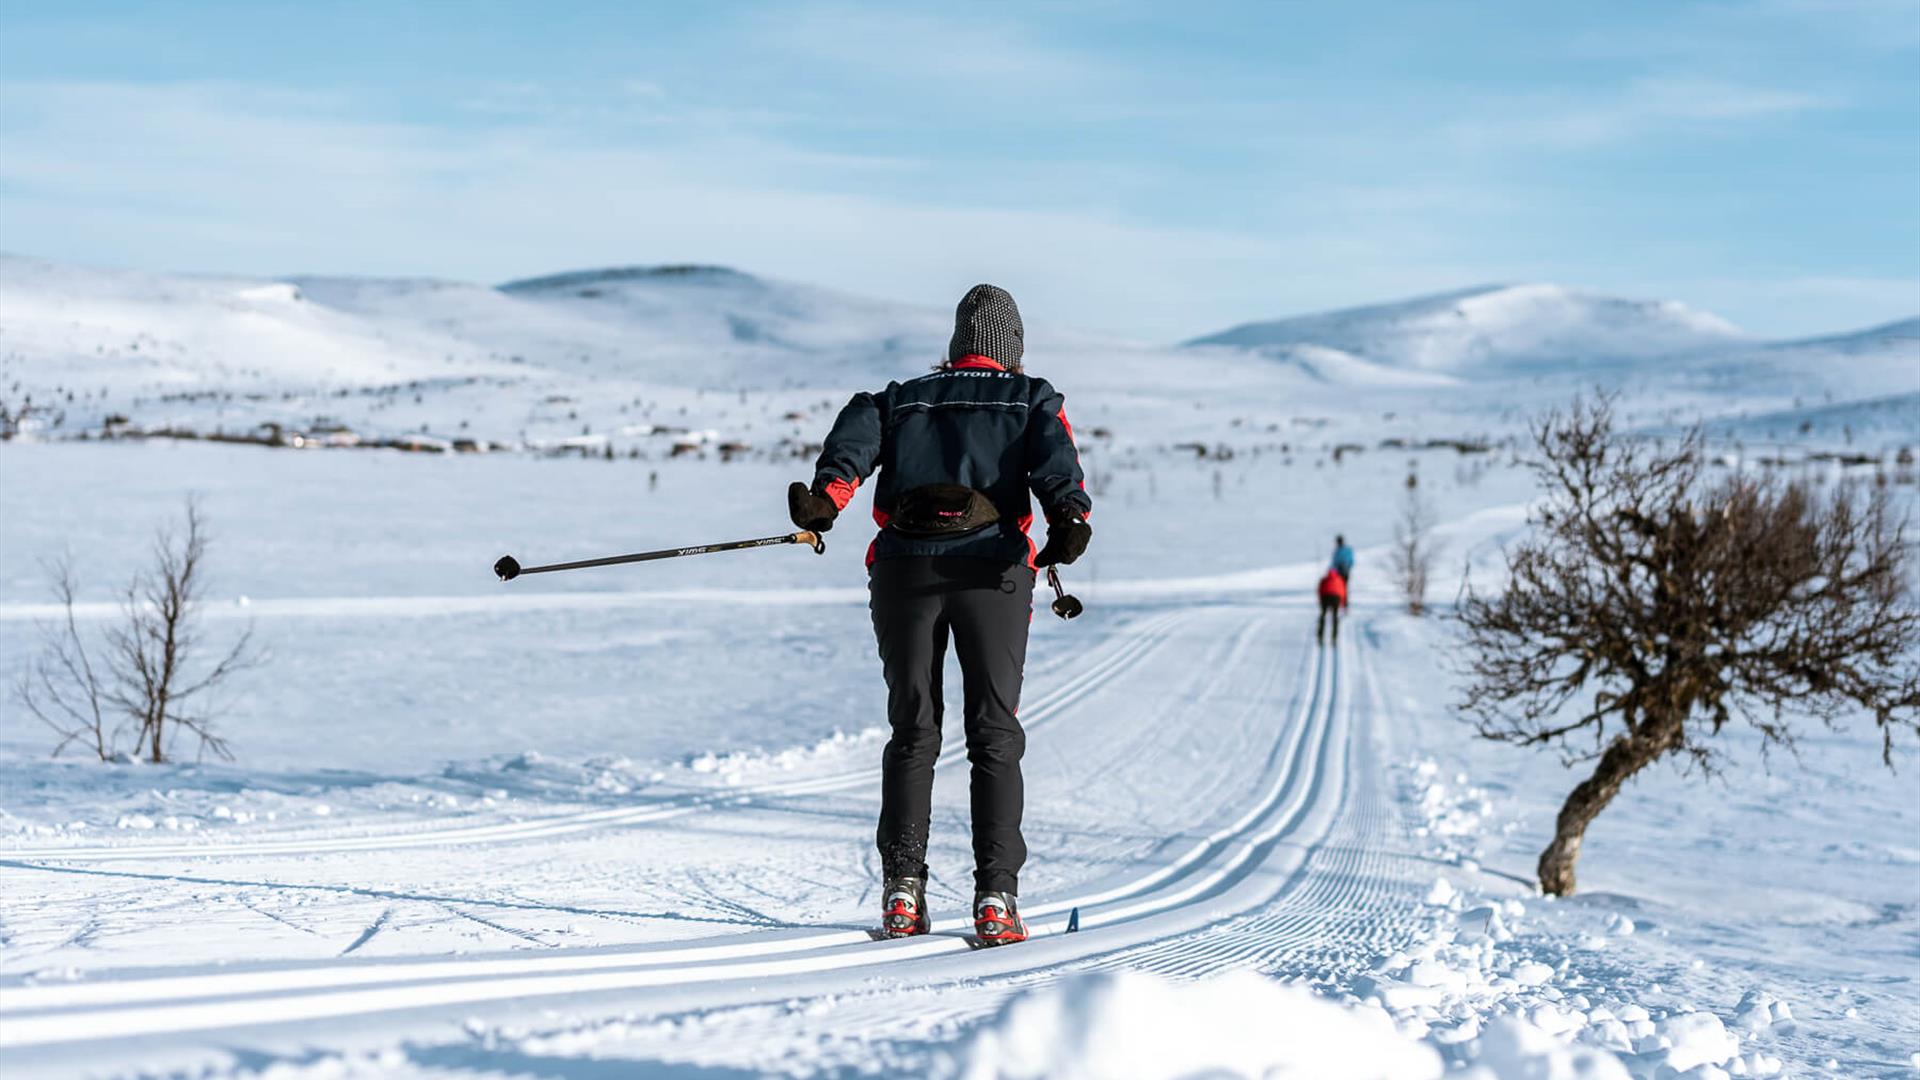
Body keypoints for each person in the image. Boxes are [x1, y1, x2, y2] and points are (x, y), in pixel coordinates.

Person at [786, 284, 1092, 947]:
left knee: (913, 728)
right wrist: (1068, 519)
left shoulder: (897, 399)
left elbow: (849, 453)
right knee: (994, 731)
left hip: (903, 570)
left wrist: (824, 503)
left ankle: (902, 893)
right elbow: (1058, 470)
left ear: (957, 345)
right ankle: (996, 900)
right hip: (993, 574)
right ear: (1010, 348)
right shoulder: (1033, 399)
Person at [1317, 566, 1348, 644]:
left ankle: (1320, 636)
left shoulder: (1324, 579)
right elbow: (1343, 591)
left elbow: (1320, 590)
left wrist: (1321, 600)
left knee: (1323, 616)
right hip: (1336, 599)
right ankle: (1334, 637)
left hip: (1325, 597)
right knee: (1335, 617)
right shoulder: (1339, 579)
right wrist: (1344, 603)